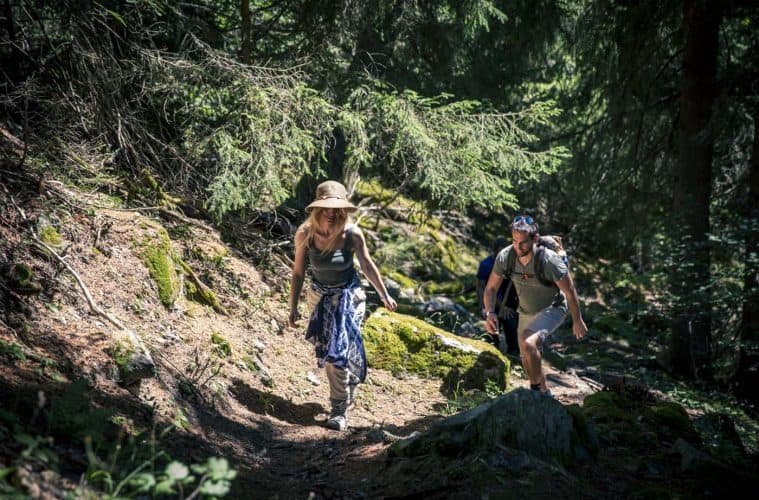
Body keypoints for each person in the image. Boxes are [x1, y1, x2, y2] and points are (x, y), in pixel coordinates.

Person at [288, 180, 398, 431]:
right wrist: (293, 306)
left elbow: (367, 264)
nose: (331, 213)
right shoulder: (305, 233)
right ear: (317, 209)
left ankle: (339, 410)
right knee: (332, 352)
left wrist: (384, 294)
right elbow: (298, 272)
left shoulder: (352, 234)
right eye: (326, 208)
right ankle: (346, 388)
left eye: (336, 209)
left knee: (339, 348)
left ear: (344, 210)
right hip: (319, 297)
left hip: (350, 296)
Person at [483, 215, 587, 395]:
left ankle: (534, 392)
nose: (518, 247)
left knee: (529, 342)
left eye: (523, 243)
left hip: (553, 307)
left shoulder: (549, 261)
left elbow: (570, 292)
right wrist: (490, 312)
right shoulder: (506, 256)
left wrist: (577, 320)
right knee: (526, 355)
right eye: (514, 241)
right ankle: (543, 392)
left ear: (535, 239)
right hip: (526, 310)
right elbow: (491, 288)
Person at [477, 238, 520, 356]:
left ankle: (513, 353)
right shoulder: (486, 264)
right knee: (491, 333)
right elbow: (481, 287)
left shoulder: (512, 265)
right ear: (494, 250)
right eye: (500, 251)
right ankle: (492, 353)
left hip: (508, 305)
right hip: (491, 303)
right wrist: (483, 307)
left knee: (511, 324)